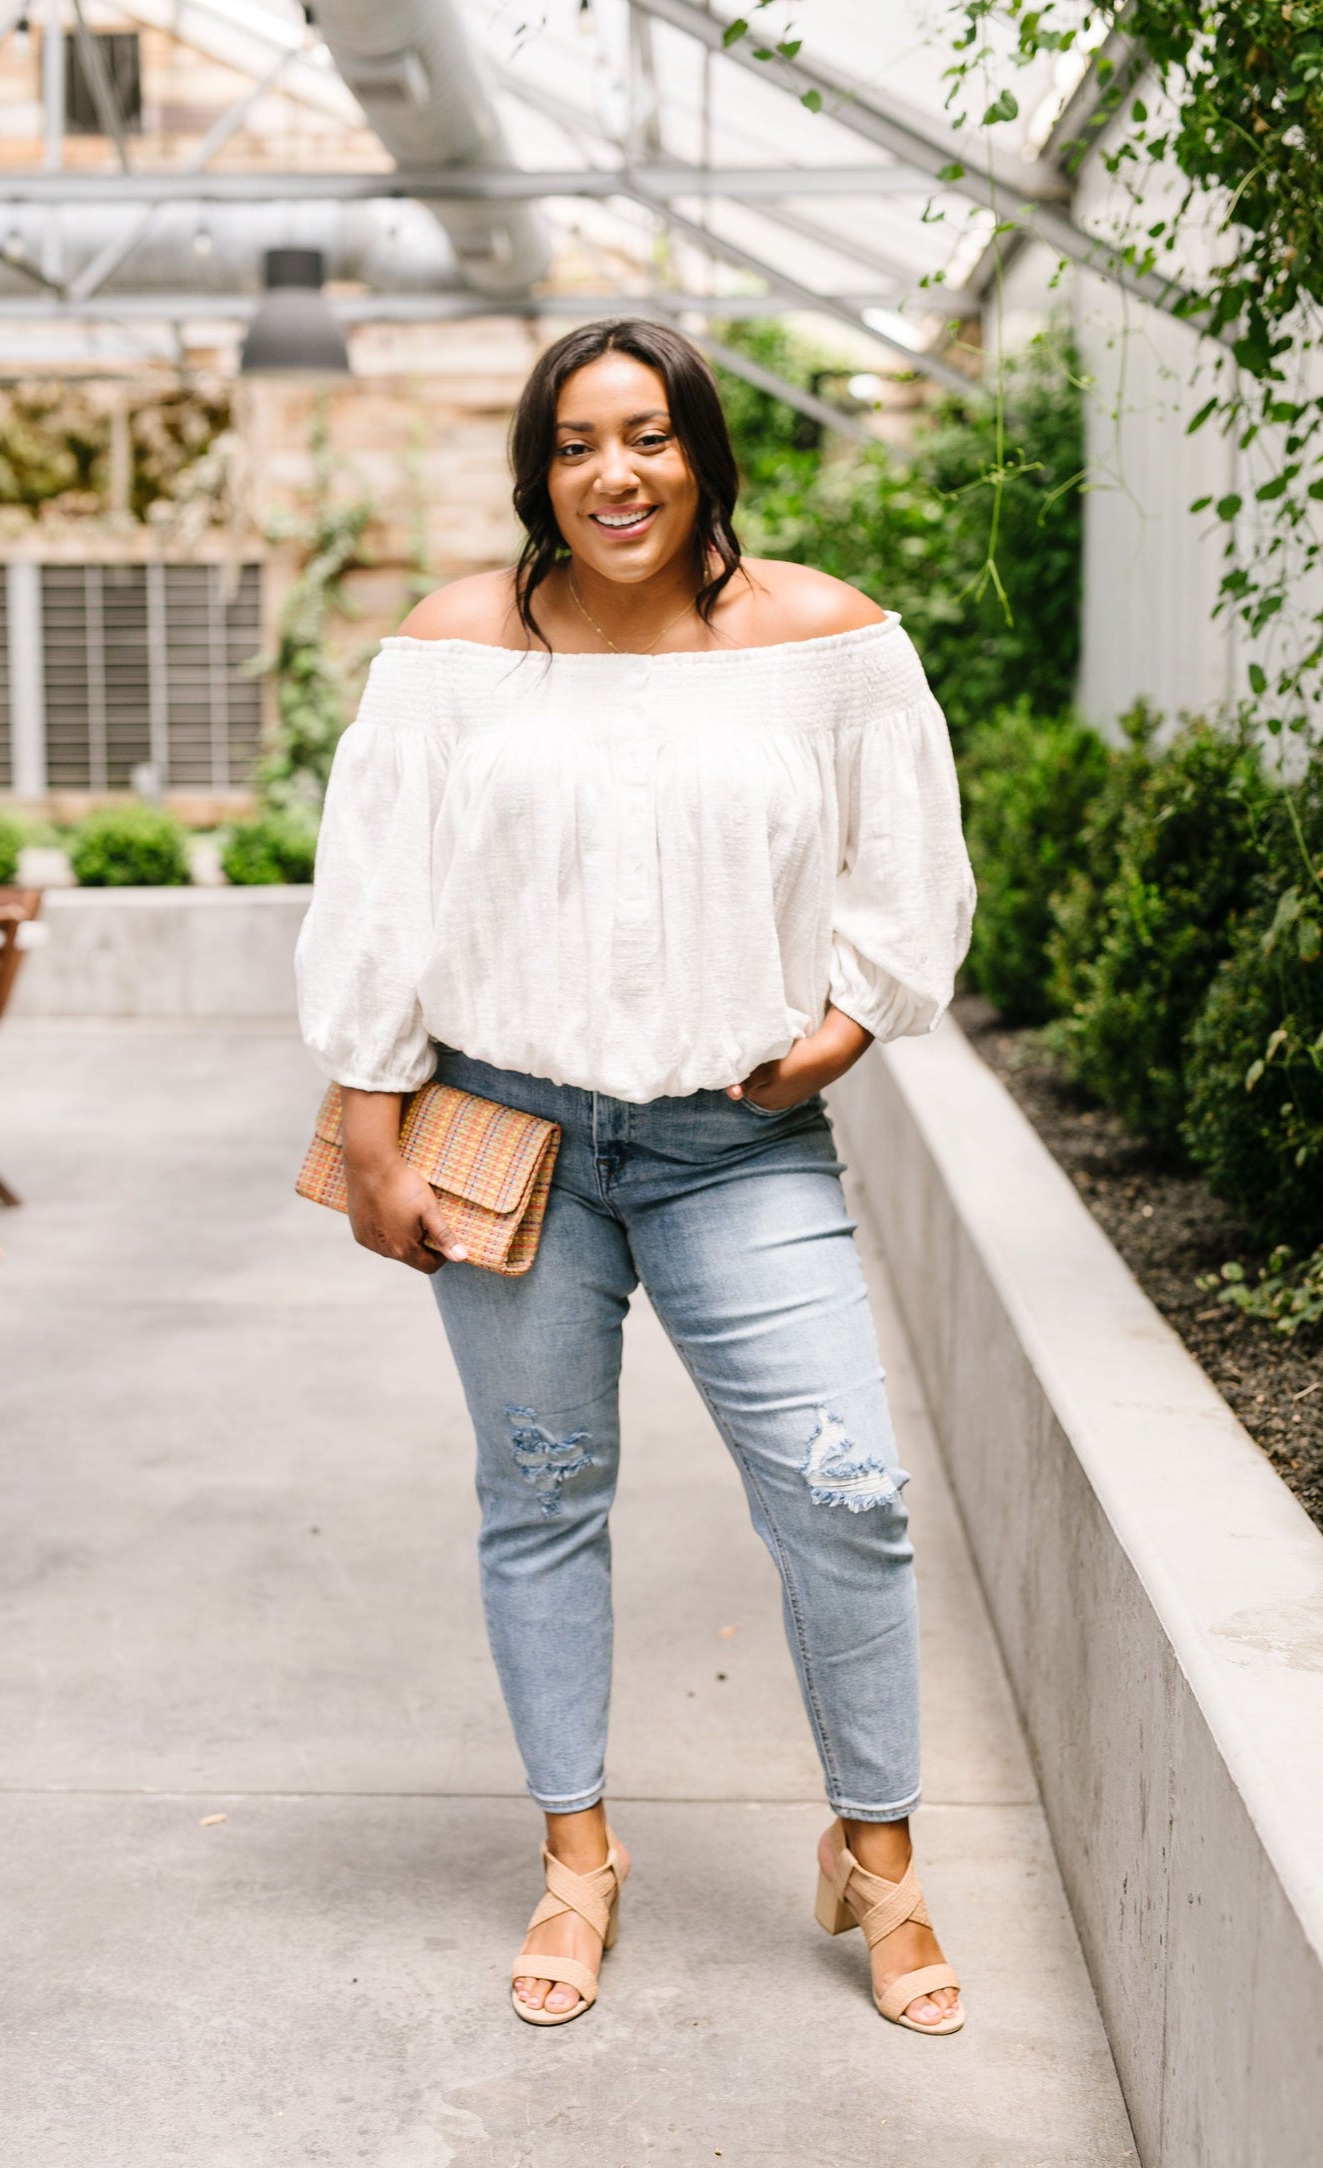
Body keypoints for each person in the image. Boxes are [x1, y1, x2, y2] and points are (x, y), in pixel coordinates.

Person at [296, 319, 976, 2034]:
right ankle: (577, 1859)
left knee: (845, 1495)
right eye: (580, 442)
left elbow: (907, 862)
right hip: (509, 1138)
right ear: (536, 468)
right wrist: (372, 1133)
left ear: (705, 454)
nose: (618, 475)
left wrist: (848, 1022)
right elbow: (378, 893)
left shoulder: (825, 639)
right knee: (539, 1501)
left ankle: (877, 1860)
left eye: (653, 437)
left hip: (732, 1141)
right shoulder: (452, 650)